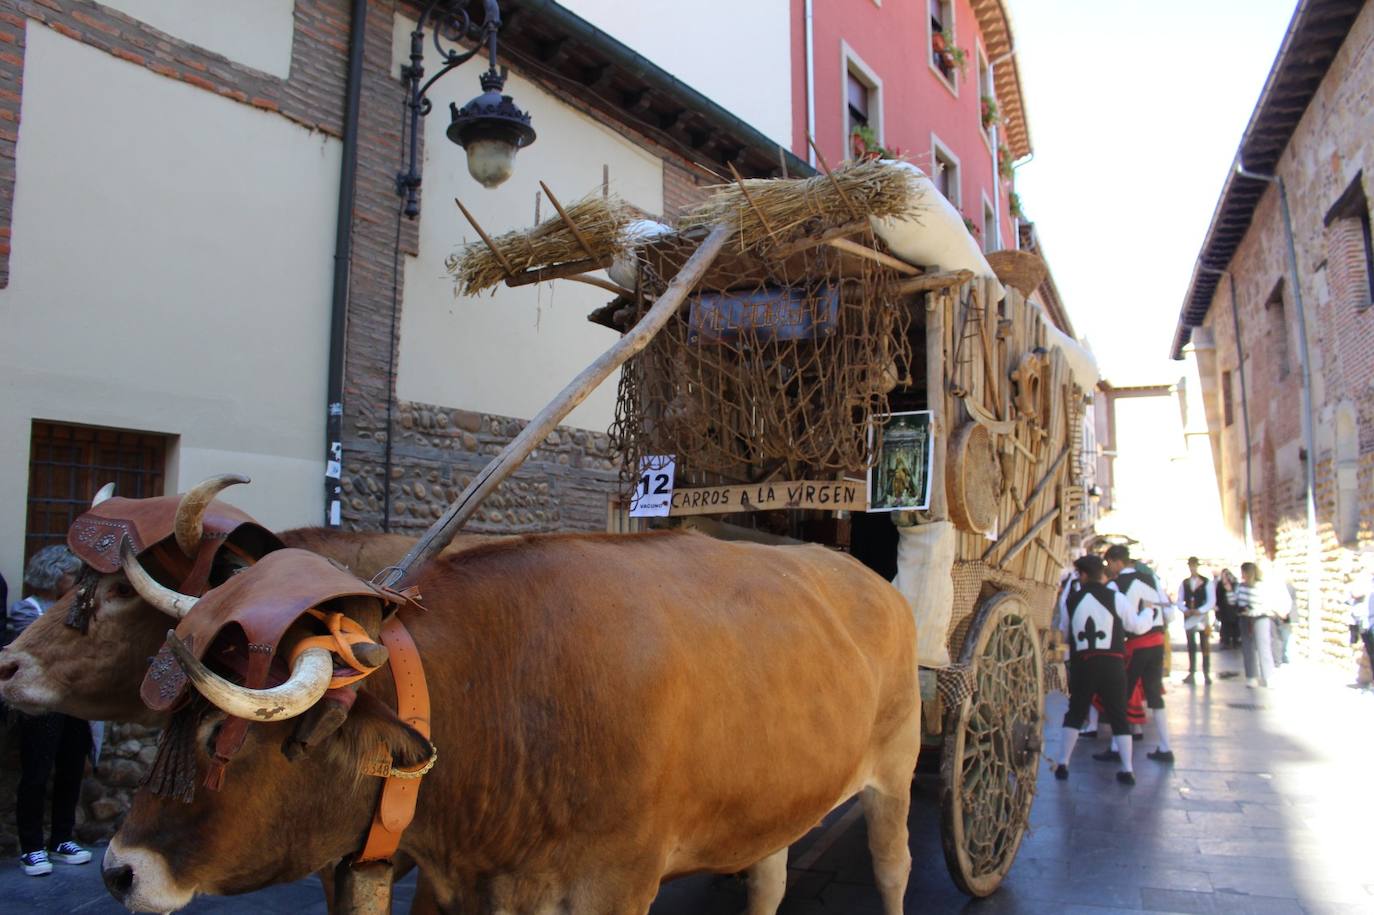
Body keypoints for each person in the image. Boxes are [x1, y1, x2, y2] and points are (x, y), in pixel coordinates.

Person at [7, 546, 95, 877]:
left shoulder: (72, 610)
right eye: (71, 575)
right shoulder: (26, 611)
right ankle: (31, 846)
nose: (75, 581)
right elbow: (46, 652)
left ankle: (62, 838)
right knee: (36, 774)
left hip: (72, 702)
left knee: (72, 770)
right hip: (42, 707)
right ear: (54, 575)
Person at [1053, 554, 1155, 786]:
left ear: (1085, 575)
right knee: (1119, 714)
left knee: (1076, 711)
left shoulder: (1072, 600)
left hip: (1083, 663)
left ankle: (1062, 763)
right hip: (1112, 663)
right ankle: (1127, 769)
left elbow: (1065, 631)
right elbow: (1136, 626)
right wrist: (1148, 611)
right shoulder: (1116, 598)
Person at [1096, 544, 1176, 765]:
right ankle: (1165, 746)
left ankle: (1116, 747)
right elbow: (1167, 612)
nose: (1109, 568)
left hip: (1135, 644)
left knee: (1120, 695)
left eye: (1109, 563)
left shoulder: (1115, 585)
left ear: (1115, 561)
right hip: (1157, 642)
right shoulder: (1152, 579)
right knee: (1154, 696)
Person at [1235, 561, 1276, 688]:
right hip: (1245, 618)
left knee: (1263, 646)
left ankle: (1268, 676)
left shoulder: (1261, 586)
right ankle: (1251, 676)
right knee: (1248, 648)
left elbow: (1267, 604)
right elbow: (1237, 601)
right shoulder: (1240, 586)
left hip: (1260, 618)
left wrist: (1253, 611)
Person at [1178, 556, 1214, 684]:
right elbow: (1180, 600)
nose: (1192, 568)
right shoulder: (1185, 583)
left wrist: (1202, 610)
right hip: (1189, 616)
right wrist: (1185, 609)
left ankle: (1206, 673)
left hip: (1202, 616)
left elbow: (1211, 600)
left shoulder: (1206, 582)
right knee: (1191, 645)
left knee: (1205, 645)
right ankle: (1192, 671)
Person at [1214, 568, 1241, 648]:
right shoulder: (1220, 584)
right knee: (1225, 625)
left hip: (1233, 609)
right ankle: (1226, 641)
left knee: (1234, 625)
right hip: (1224, 609)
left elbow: (1236, 596)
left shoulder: (1234, 584)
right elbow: (1218, 596)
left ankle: (1235, 640)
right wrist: (1217, 606)